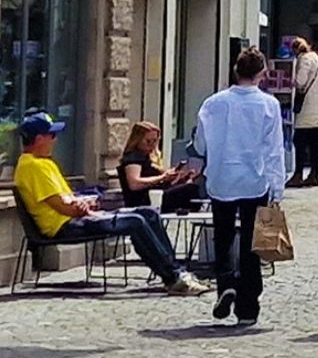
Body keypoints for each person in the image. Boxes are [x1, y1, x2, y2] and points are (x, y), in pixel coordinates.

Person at [12, 114, 205, 295]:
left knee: (148, 213)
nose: (55, 139)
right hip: (64, 226)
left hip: (77, 217)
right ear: (39, 139)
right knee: (135, 221)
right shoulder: (32, 166)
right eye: (52, 135)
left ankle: (177, 270)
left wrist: (84, 201)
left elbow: (66, 197)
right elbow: (62, 206)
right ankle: (173, 278)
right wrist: (82, 207)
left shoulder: (44, 163)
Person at [193, 47, 288, 327]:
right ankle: (248, 306)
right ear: (261, 73)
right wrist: (277, 187)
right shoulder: (268, 105)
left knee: (222, 237)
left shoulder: (213, 103)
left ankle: (226, 284)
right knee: (251, 243)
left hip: (221, 178)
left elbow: (200, 144)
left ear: (236, 70)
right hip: (254, 179)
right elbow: (274, 150)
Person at [118, 121, 199, 213]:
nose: (152, 145)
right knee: (191, 189)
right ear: (137, 140)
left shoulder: (146, 158)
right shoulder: (134, 158)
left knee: (190, 188)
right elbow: (134, 183)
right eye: (148, 141)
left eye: (155, 141)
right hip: (144, 200)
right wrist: (162, 177)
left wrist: (181, 178)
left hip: (155, 196)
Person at [287, 33, 318, 188]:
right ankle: (314, 174)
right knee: (314, 144)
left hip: (307, 109)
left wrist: (292, 82)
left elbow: (300, 82)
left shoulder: (304, 59)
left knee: (299, 141)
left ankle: (298, 174)